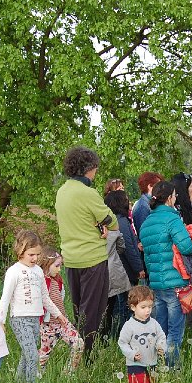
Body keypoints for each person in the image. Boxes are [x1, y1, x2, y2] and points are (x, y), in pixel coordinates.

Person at [54, 146, 117, 358]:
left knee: (79, 309)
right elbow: (112, 221)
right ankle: (84, 355)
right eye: (95, 168)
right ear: (89, 168)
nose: (96, 173)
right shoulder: (88, 193)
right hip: (92, 259)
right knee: (93, 311)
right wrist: (103, 225)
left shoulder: (62, 191)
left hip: (71, 259)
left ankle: (77, 345)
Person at [138, 181, 192, 370]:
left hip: (156, 282)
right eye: (175, 195)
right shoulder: (172, 220)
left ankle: (155, 365)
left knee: (159, 328)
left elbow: (146, 254)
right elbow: (187, 246)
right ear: (170, 198)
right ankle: (172, 369)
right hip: (176, 282)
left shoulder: (146, 223)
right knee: (175, 330)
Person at [0, 230, 67, 383]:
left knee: (26, 354)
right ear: (20, 252)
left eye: (37, 254)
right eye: (31, 255)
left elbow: (45, 297)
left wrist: (58, 315)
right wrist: (0, 321)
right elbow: (5, 298)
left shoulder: (38, 272)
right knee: (33, 356)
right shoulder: (13, 272)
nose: (35, 258)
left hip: (36, 319)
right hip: (19, 319)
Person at [117, 285, 166, 383]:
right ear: (133, 307)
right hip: (135, 365)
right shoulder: (129, 326)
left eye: (150, 306)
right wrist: (132, 354)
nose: (148, 310)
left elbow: (161, 336)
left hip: (152, 362)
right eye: (143, 307)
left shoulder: (154, 323)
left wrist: (161, 346)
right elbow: (122, 342)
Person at [37, 248, 84, 372]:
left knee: (78, 343)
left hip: (62, 321)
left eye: (60, 265)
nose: (59, 269)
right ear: (46, 264)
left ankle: (68, 374)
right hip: (47, 325)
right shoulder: (39, 282)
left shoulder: (58, 280)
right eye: (57, 266)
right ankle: (37, 376)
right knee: (44, 354)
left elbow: (61, 297)